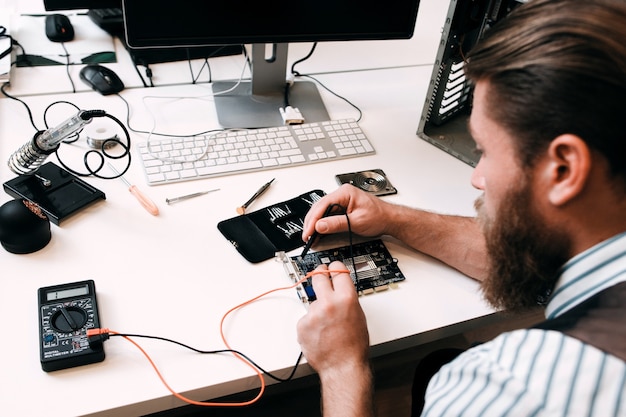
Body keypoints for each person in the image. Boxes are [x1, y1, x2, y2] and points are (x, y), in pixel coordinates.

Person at [295, 0, 626, 415]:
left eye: (485, 150)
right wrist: (392, 217)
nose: (477, 177)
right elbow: (539, 265)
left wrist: (342, 366)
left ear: (563, 169)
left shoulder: (510, 388)